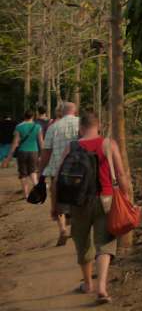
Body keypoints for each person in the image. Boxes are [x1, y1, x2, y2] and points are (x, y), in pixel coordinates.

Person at [62, 111, 132, 305]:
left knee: (82, 241)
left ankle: (87, 283)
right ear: (98, 126)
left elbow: (62, 176)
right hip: (106, 199)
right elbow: (121, 173)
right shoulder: (108, 144)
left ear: (81, 128)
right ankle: (101, 286)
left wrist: (58, 206)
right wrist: (126, 198)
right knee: (105, 243)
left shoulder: (72, 146)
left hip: (79, 202)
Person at [39, 101, 79, 246]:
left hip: (58, 169)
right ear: (75, 111)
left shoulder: (53, 127)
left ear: (61, 112)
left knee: (59, 201)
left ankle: (62, 229)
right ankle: (75, 227)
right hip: (79, 170)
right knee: (76, 198)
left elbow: (46, 152)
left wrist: (41, 172)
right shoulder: (82, 124)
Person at [2, 110, 44, 199]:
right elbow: (41, 142)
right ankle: (38, 192)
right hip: (34, 152)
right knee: (33, 172)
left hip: (22, 152)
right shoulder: (37, 127)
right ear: (33, 117)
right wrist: (42, 154)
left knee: (23, 173)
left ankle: (26, 194)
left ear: (24, 116)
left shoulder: (19, 127)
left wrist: (8, 157)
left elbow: (15, 143)